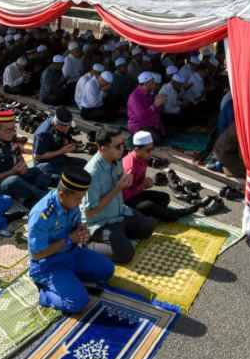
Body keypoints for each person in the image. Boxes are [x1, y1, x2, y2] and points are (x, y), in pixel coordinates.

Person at [27, 166, 115, 313]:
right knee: (77, 303)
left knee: (107, 270)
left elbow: (76, 224)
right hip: (49, 264)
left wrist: (82, 231)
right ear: (62, 194)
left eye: (82, 197)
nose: (80, 203)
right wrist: (69, 240)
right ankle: (45, 295)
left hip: (72, 253)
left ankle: (69, 279)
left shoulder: (70, 201)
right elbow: (37, 254)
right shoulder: (42, 215)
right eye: (78, 199)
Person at [83, 129, 155, 264]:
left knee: (148, 227)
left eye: (123, 145)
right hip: (101, 222)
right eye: (118, 146)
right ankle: (85, 245)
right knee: (126, 254)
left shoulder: (116, 160)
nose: (123, 149)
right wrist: (117, 189)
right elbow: (89, 213)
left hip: (119, 213)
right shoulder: (92, 173)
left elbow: (121, 184)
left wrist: (129, 182)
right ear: (102, 148)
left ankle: (118, 236)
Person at [0, 110, 50, 208]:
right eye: (8, 130)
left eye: (13, 129)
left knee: (40, 169)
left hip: (13, 175)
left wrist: (22, 166)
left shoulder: (10, 139)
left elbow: (19, 158)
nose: (12, 133)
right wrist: (11, 172)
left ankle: (31, 198)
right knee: (13, 181)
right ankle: (43, 197)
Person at [121, 131, 201, 221]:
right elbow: (123, 193)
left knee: (164, 198)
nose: (151, 153)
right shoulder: (130, 167)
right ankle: (174, 214)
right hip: (127, 200)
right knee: (150, 206)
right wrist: (142, 186)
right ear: (136, 149)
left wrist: (148, 183)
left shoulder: (143, 157)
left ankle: (155, 214)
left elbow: (140, 183)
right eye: (148, 150)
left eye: (152, 149)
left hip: (137, 194)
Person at [32, 106, 83, 181]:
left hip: (58, 158)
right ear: (57, 124)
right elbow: (37, 156)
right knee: (70, 177)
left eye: (68, 126)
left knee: (84, 164)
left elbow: (64, 137)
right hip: (45, 164)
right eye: (64, 127)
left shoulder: (62, 125)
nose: (67, 129)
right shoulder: (43, 133)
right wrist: (62, 151)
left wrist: (69, 144)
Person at [127, 71, 166, 140]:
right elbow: (141, 116)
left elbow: (155, 111)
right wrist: (155, 105)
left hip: (149, 123)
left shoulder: (149, 93)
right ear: (146, 83)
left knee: (164, 133)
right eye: (152, 82)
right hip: (138, 125)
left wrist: (160, 104)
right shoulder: (135, 96)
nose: (154, 84)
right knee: (156, 139)